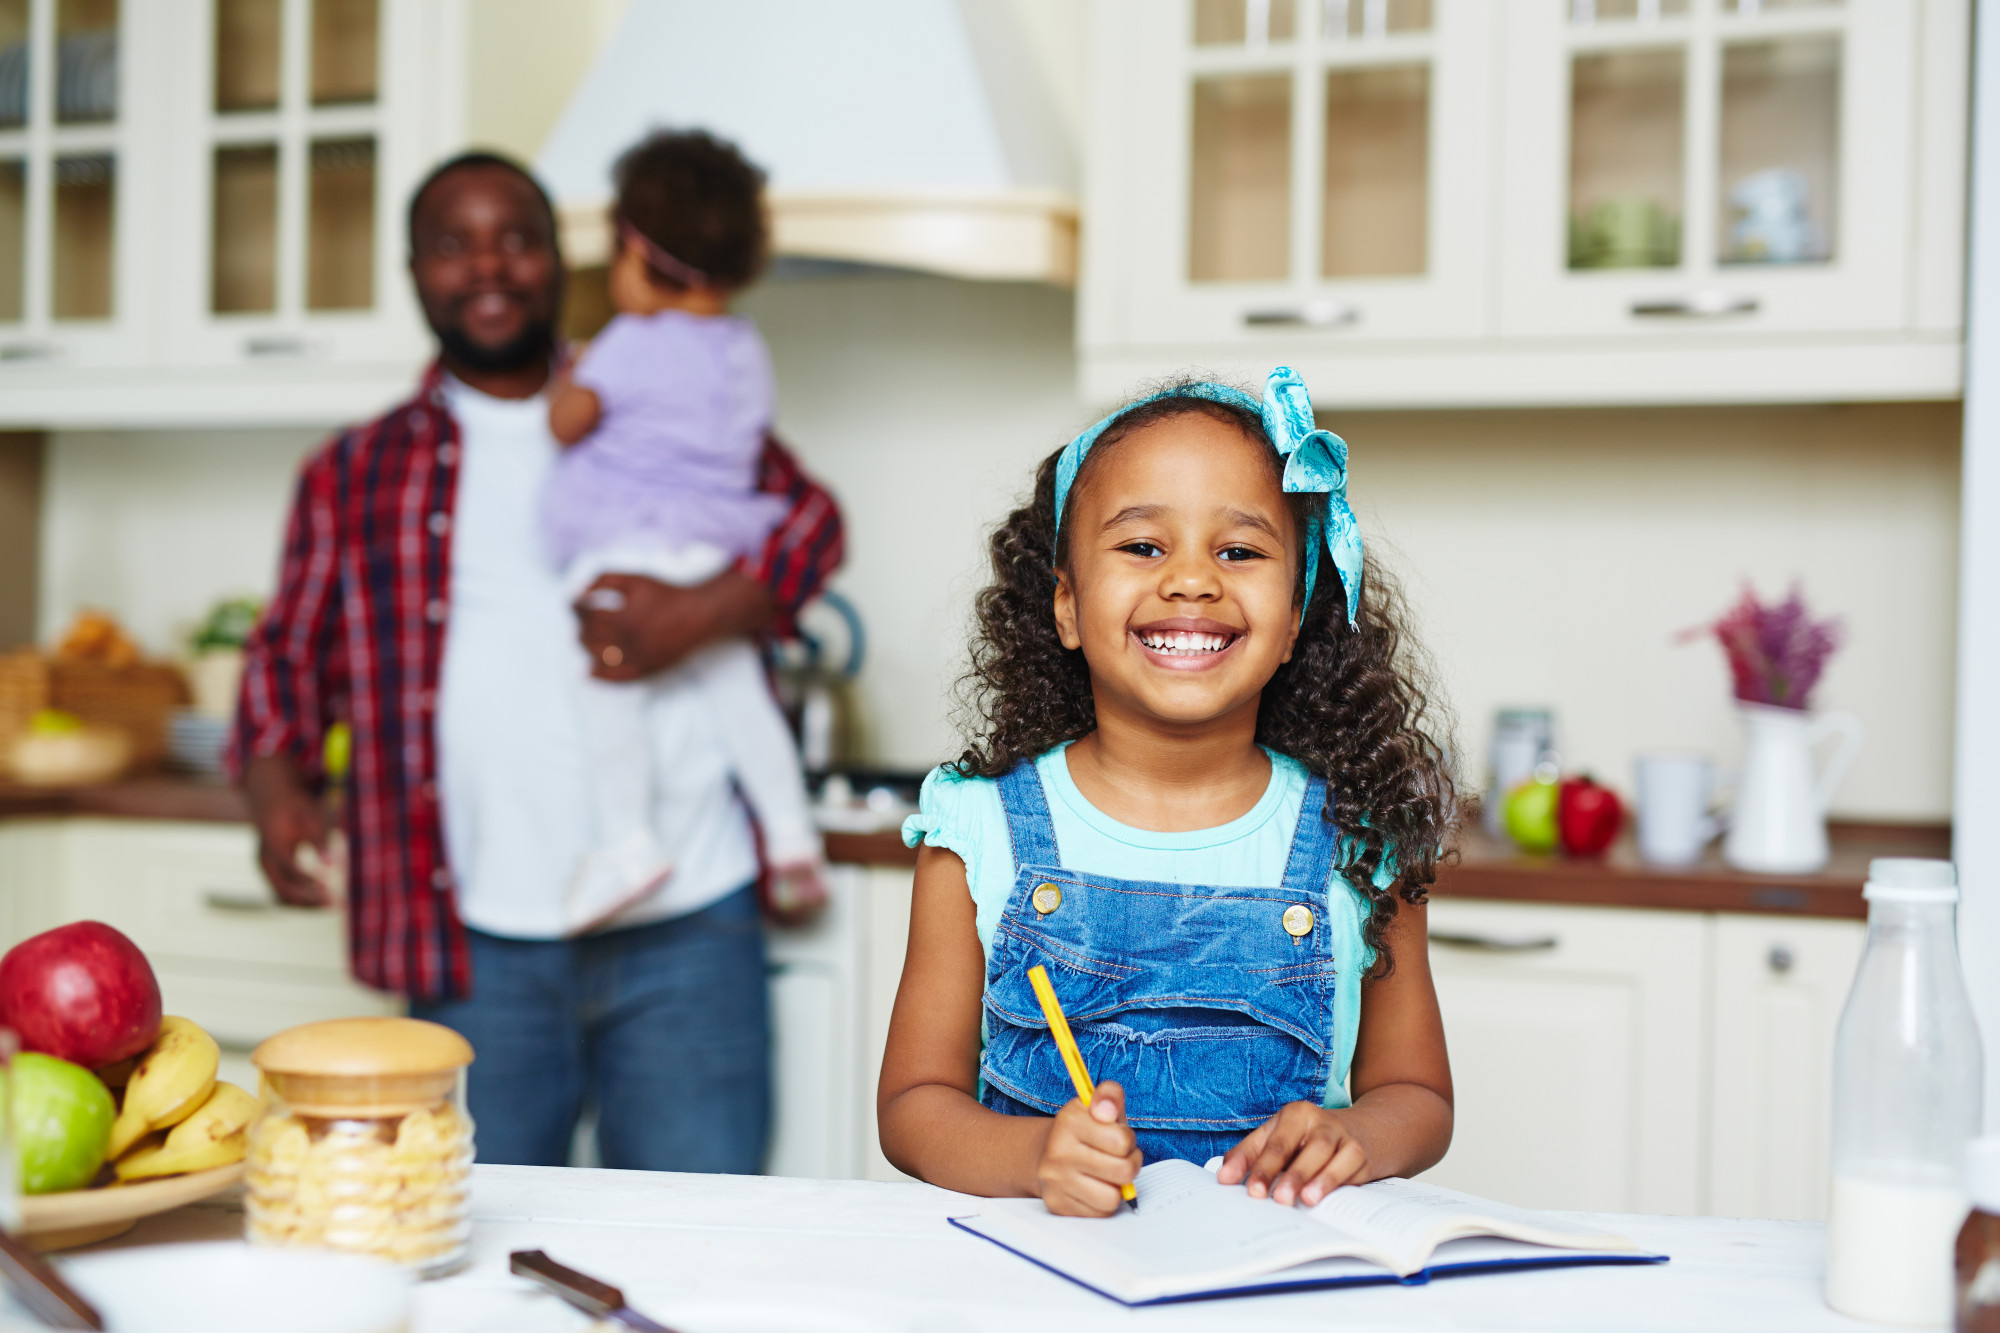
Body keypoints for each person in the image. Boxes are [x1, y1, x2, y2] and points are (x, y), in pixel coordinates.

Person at [229, 150, 844, 1173]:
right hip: (473, 939)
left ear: (564, 259)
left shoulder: (653, 386)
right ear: (413, 270)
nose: (487, 267)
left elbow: (809, 524)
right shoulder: (355, 467)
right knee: (475, 1254)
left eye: (516, 238)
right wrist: (272, 783)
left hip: (688, 924)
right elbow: (290, 647)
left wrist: (700, 612)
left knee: (698, 1258)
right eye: (452, 245)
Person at [877, 369, 1456, 1216]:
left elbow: (1418, 1093)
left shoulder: (1361, 840)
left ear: (1296, 615)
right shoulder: (978, 828)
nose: (1192, 580)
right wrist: (1035, 1154)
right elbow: (912, 1106)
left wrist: (1359, 1136)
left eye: (1241, 550)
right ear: (1067, 606)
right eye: (1143, 546)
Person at [544, 130, 823, 932]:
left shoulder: (629, 345)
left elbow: (567, 423)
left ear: (634, 248)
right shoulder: (744, 349)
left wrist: (571, 373)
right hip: (709, 552)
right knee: (741, 698)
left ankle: (628, 842)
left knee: (603, 683)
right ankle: (793, 837)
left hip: (623, 544)